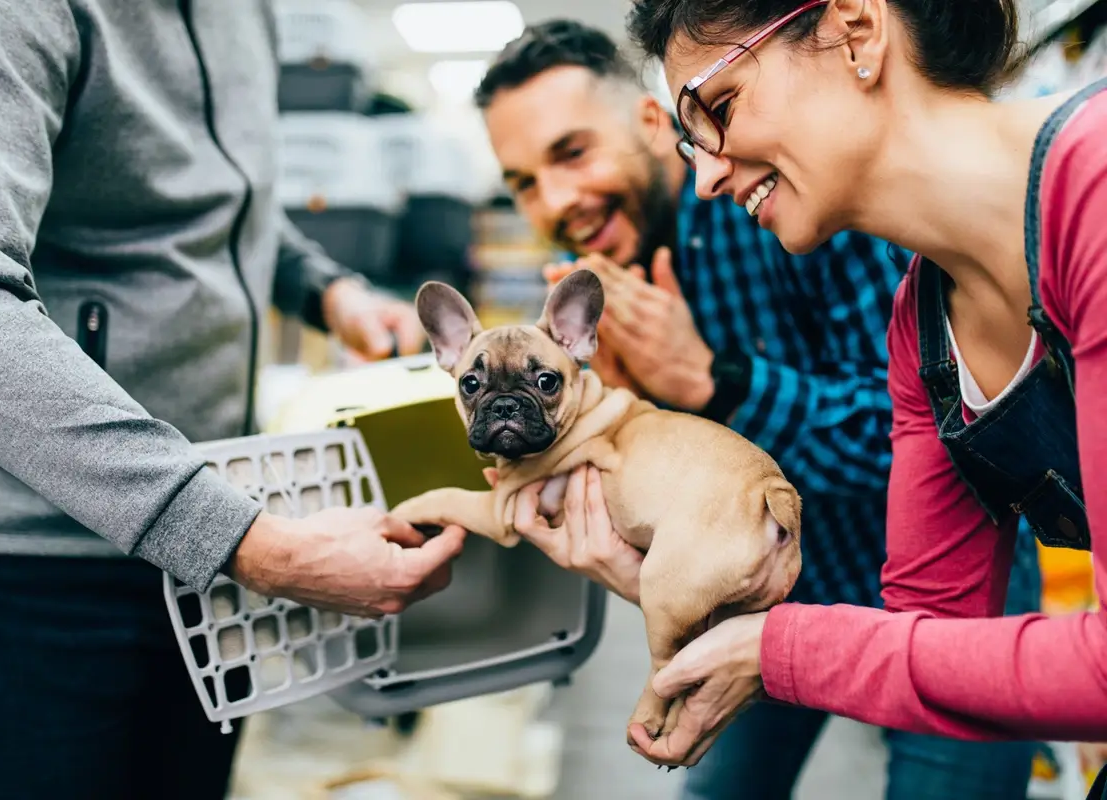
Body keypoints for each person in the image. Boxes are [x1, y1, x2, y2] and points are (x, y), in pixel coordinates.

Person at [0, 1, 467, 798]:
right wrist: (248, 543)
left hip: (210, 559)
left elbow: (230, 202)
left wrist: (327, 291)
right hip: (45, 580)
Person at [473, 18, 1043, 800]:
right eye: (525, 182)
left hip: (952, 585)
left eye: (573, 153)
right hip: (761, 594)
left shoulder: (804, 195)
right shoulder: (583, 305)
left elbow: (932, 439)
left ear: (651, 122)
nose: (558, 200)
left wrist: (716, 381)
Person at [602, 0, 1107, 791]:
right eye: (691, 140)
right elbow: (926, 641)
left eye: (720, 108)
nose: (703, 178)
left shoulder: (1096, 192)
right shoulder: (922, 326)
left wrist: (779, 649)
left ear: (856, 32)